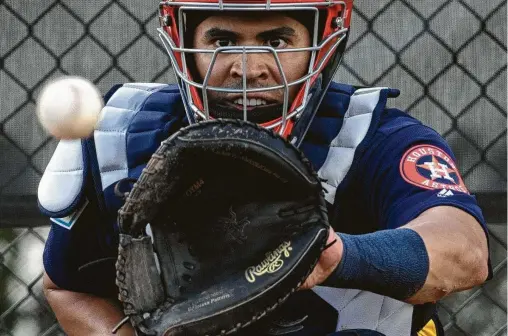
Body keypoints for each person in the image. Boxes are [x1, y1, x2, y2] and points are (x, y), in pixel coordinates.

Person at [39, 0, 491, 335]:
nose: (248, 67)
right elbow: (66, 287)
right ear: (185, 42)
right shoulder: (122, 138)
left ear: (321, 42)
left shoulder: (376, 137)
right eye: (222, 41)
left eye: (276, 41)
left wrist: (336, 257)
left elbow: (465, 253)